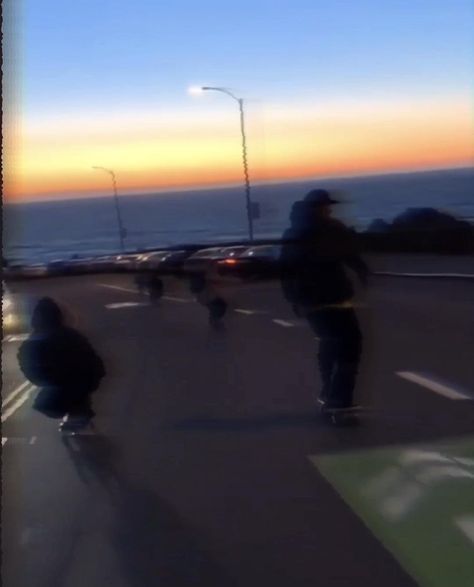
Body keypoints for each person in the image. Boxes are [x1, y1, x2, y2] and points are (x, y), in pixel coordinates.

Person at [279, 189, 369, 411]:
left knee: (332, 344)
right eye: (324, 206)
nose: (328, 209)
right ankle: (339, 398)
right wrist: (360, 270)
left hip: (324, 299)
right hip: (326, 298)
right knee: (348, 345)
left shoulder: (298, 232)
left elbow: (286, 270)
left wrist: (361, 270)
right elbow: (350, 254)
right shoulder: (324, 230)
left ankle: (331, 392)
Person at [18, 297, 105, 432]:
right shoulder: (71, 336)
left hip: (61, 384)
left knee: (50, 400)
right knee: (72, 393)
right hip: (79, 381)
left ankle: (77, 414)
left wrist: (48, 381)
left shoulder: (32, 342)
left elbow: (28, 368)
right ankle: (79, 413)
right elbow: (94, 361)